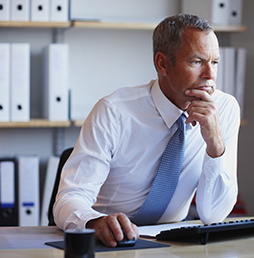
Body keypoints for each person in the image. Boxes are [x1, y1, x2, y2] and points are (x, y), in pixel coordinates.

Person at [53, 13, 241, 247]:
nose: (210, 76)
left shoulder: (224, 108)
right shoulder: (113, 112)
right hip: (110, 242)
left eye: (214, 62)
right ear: (162, 63)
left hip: (174, 245)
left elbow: (213, 215)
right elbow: (69, 199)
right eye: (196, 62)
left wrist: (215, 145)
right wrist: (95, 222)